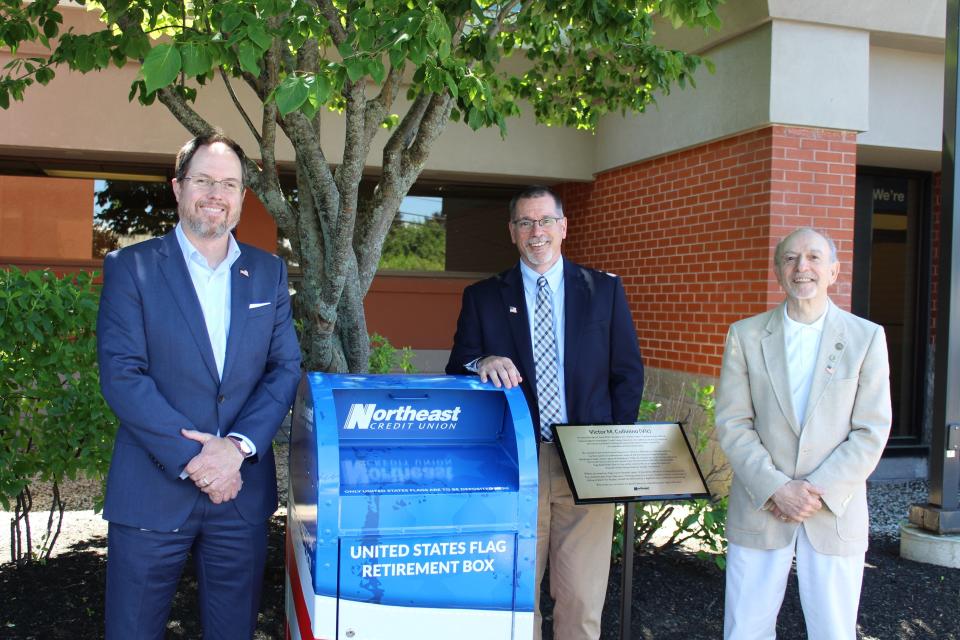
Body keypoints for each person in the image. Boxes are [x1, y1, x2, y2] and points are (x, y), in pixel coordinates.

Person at [97, 132, 301, 639]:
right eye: (204, 180)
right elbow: (123, 375)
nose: (216, 193)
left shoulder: (269, 272)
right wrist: (197, 460)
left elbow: (283, 368)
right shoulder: (131, 268)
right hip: (151, 489)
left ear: (241, 197)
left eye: (229, 183)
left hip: (240, 492)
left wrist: (235, 449)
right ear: (177, 187)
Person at [446, 185, 644, 640]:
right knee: (516, 590)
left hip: (587, 462)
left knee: (581, 594)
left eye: (546, 221)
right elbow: (459, 363)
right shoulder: (483, 296)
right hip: (517, 462)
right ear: (513, 232)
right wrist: (483, 362)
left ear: (563, 227)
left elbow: (627, 374)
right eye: (526, 223)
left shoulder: (604, 291)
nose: (537, 232)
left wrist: (610, 449)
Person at [716, 227, 892, 640]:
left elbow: (872, 429)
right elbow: (732, 422)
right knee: (745, 628)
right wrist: (778, 488)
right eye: (791, 258)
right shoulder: (746, 335)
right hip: (762, 506)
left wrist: (812, 490)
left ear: (834, 271)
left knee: (834, 631)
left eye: (814, 258)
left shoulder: (866, 338)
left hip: (833, 511)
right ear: (778, 271)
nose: (802, 267)